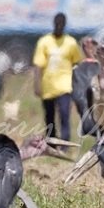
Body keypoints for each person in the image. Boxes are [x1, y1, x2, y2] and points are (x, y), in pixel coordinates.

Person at [33, 13, 83, 142]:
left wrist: (78, 83)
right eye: (57, 23)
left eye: (62, 23)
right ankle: (51, 142)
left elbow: (77, 62)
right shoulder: (44, 42)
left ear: (65, 25)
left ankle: (65, 143)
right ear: (54, 23)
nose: (59, 26)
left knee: (64, 114)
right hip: (48, 86)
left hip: (64, 86)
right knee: (49, 116)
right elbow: (38, 64)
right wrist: (36, 85)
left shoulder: (70, 43)